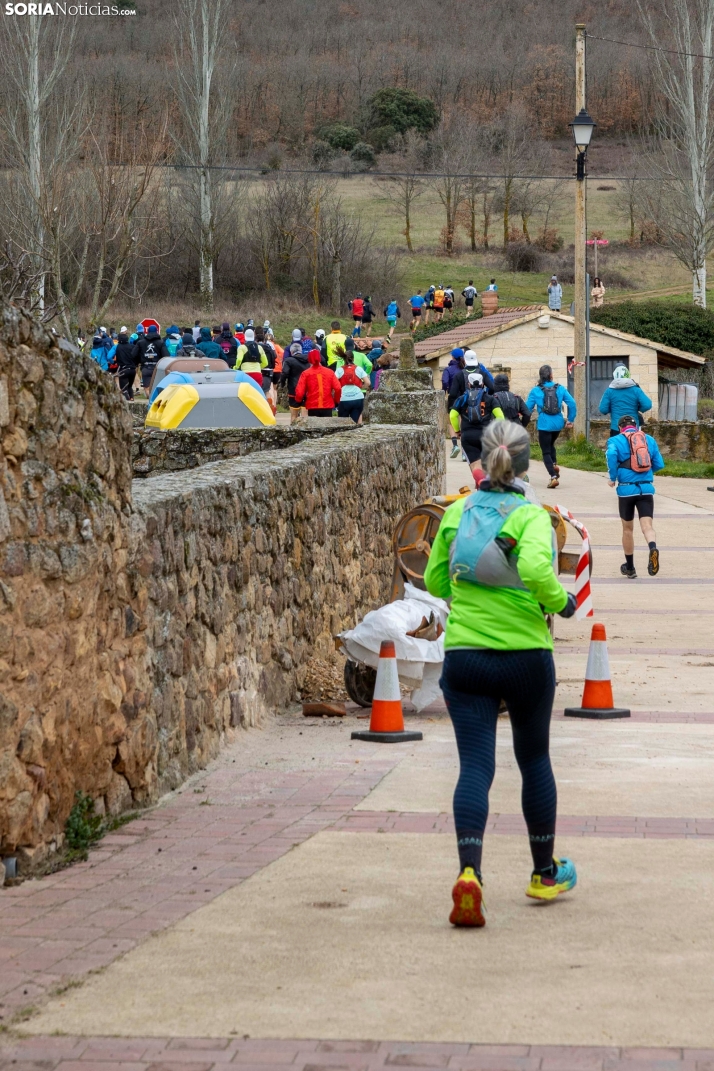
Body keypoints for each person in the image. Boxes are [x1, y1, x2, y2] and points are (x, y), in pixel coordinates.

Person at [424, 419, 578, 927]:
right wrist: (564, 602)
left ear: (482, 459)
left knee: (475, 767)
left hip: (466, 656)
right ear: (526, 463)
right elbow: (537, 572)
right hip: (526, 658)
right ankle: (543, 873)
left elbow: (434, 577)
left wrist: (467, 603)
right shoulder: (532, 516)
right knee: (534, 760)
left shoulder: (458, 511)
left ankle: (470, 874)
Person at [606, 414, 664, 578]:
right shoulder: (648, 440)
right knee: (647, 526)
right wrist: (644, 473)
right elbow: (659, 464)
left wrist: (613, 477)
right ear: (636, 426)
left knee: (627, 529)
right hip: (646, 490)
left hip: (626, 491)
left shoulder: (615, 441)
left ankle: (630, 567)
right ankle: (652, 547)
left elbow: (611, 455)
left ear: (620, 428)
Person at [526, 365, 576, 489]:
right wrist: (570, 420)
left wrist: (524, 420)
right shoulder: (560, 388)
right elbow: (572, 403)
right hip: (558, 424)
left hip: (544, 424)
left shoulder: (536, 390)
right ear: (551, 375)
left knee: (545, 451)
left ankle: (553, 476)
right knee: (551, 444)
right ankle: (553, 464)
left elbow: (527, 408)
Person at [451, 371, 502, 464]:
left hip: (468, 436)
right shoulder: (491, 399)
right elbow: (500, 417)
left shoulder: (462, 399)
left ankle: (480, 478)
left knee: (475, 465)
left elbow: (452, 415)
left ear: (468, 384)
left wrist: (457, 431)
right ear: (482, 384)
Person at [598, 365, 652, 435]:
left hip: (616, 428)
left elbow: (603, 409)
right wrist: (637, 408)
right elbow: (647, 405)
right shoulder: (636, 390)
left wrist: (613, 409)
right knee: (633, 445)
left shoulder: (609, 391)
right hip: (633, 427)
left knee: (616, 445)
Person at [294, 349, 342, 416]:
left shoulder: (306, 373)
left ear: (309, 359)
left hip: (312, 406)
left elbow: (299, 392)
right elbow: (338, 388)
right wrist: (336, 400)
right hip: (327, 406)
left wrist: (298, 400)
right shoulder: (330, 372)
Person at [281, 334, 311, 421]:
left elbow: (284, 373)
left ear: (291, 352)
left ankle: (293, 432)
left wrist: (282, 383)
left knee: (294, 415)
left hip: (293, 390)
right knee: (305, 414)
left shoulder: (289, 361)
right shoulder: (308, 361)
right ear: (301, 351)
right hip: (306, 390)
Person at [335, 348, 370, 423]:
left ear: (344, 359)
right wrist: (362, 387)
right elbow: (368, 383)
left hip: (344, 399)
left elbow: (334, 382)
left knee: (342, 423)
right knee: (355, 422)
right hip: (357, 398)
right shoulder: (359, 369)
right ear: (353, 359)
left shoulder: (339, 370)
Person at [133, 324, 169, 395]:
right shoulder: (161, 343)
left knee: (147, 387)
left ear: (148, 332)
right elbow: (166, 356)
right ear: (157, 332)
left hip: (145, 367)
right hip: (157, 368)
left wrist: (138, 362)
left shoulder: (141, 343)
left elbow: (133, 354)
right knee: (158, 387)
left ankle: (149, 401)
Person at [442, 349, 465, 458]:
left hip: (453, 397)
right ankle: (464, 451)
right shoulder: (465, 369)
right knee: (464, 420)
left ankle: (455, 445)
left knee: (451, 421)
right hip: (465, 398)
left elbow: (445, 381)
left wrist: (445, 390)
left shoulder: (448, 369)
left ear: (452, 357)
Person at [114, 330, 139, 400]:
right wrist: (136, 364)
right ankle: (132, 398)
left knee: (123, 388)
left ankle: (127, 399)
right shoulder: (132, 347)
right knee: (130, 386)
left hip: (123, 369)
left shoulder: (117, 347)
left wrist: (113, 362)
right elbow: (136, 355)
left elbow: (109, 356)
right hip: (132, 370)